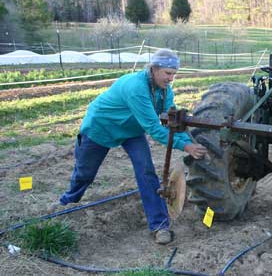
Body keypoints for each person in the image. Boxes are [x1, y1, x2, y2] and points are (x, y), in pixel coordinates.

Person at [59, 48, 207, 244]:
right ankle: (67, 204)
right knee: (85, 173)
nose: (171, 78)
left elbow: (169, 121)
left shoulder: (165, 91)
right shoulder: (136, 87)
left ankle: (159, 226)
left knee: (146, 171)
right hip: (101, 127)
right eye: (168, 73)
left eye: (174, 74)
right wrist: (187, 147)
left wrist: (189, 138)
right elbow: (154, 128)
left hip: (131, 131)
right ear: (154, 69)